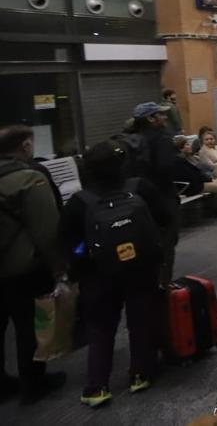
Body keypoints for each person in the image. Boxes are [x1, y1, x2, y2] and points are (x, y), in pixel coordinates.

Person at [62, 140, 167, 408]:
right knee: (140, 320)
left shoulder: (79, 202)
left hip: (97, 275)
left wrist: (81, 264)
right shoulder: (140, 188)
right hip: (141, 269)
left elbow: (68, 242)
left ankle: (97, 387)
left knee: (99, 328)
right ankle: (140, 374)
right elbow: (164, 218)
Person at [0, 125, 66, 405]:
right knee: (30, 326)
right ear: (26, 146)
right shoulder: (29, 179)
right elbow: (46, 231)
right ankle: (33, 383)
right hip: (24, 269)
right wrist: (59, 268)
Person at [123, 102, 183, 286]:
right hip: (162, 198)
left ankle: (144, 283)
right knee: (166, 241)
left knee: (144, 242)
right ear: (151, 118)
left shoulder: (131, 140)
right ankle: (163, 284)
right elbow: (166, 168)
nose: (165, 117)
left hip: (137, 200)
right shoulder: (162, 139)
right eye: (161, 114)